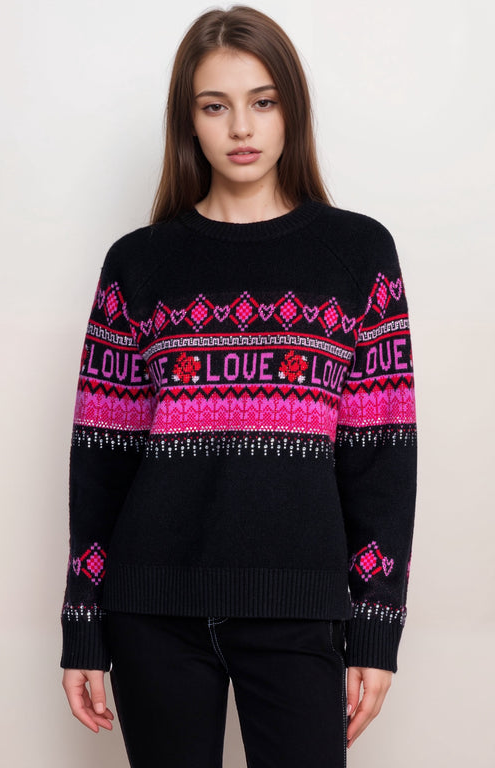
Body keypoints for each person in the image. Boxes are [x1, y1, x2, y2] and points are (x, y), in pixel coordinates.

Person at [60, 6, 417, 767]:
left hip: (300, 609)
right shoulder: (138, 263)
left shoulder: (358, 254)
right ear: (188, 121)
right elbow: (101, 456)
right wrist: (82, 624)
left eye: (263, 101)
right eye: (215, 106)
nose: (242, 127)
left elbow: (382, 456)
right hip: (153, 608)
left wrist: (377, 628)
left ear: (292, 108)